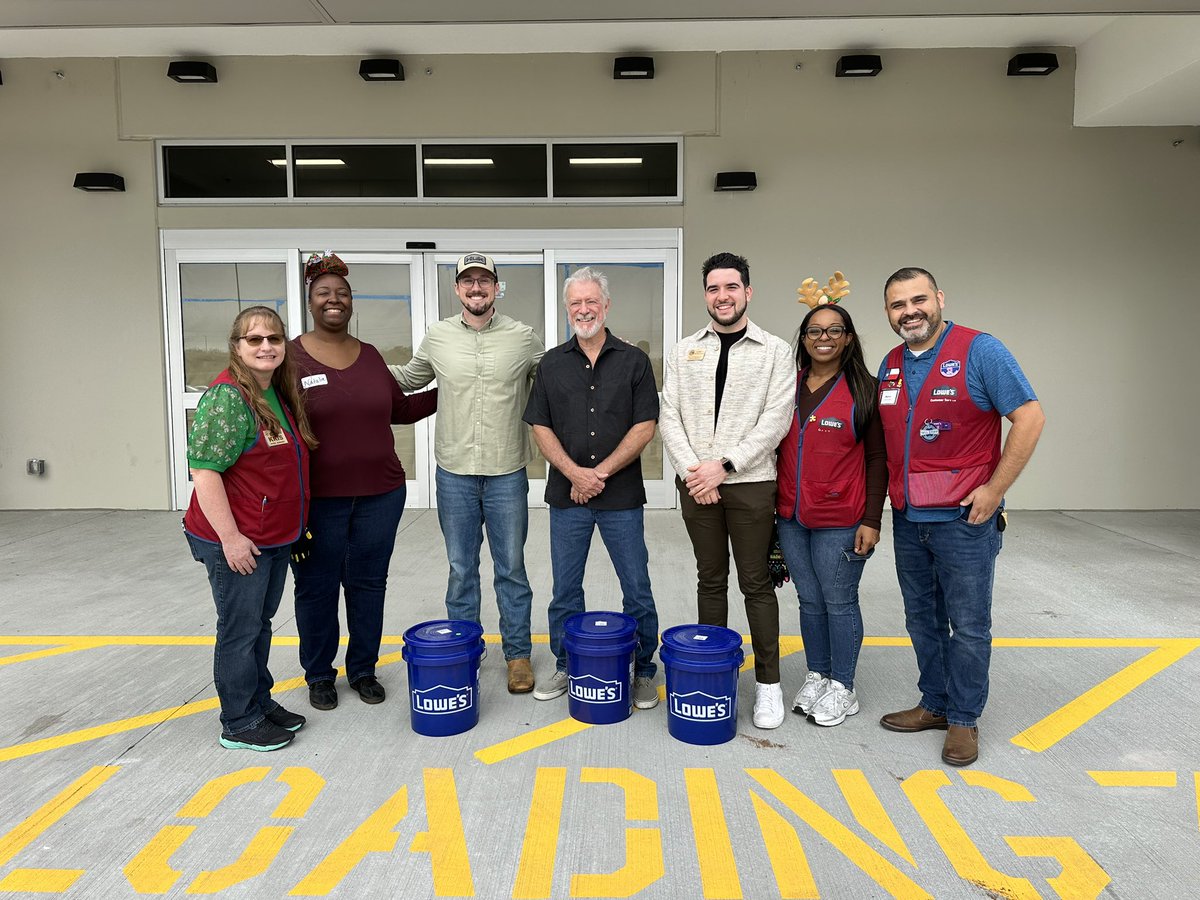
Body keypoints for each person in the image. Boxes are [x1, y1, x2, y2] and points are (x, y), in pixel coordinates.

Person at [877, 266, 1044, 766]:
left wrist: (995, 490)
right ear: (887, 313)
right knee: (921, 617)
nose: (910, 311)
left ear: (940, 298)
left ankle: (965, 719)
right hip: (908, 517)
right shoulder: (890, 363)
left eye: (918, 299)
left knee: (968, 625)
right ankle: (935, 704)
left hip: (963, 521)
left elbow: (1030, 417)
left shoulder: (980, 350)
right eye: (897, 304)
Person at [290, 253, 437, 712]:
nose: (334, 300)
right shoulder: (289, 359)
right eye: (324, 294)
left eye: (342, 293)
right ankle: (319, 674)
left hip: (381, 494)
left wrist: (452, 390)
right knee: (317, 588)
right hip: (319, 500)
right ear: (310, 302)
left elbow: (401, 410)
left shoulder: (371, 355)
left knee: (369, 584)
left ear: (352, 302)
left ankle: (363, 670)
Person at [390, 253, 543, 693]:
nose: (476, 289)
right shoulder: (437, 337)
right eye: (468, 282)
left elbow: (557, 376)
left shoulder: (523, 337)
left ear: (497, 288)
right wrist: (351, 368)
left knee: (511, 569)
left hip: (506, 472)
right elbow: (408, 377)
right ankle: (465, 651)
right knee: (461, 569)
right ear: (457, 289)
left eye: (485, 281)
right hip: (453, 471)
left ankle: (517, 656)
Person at [659, 251, 795, 729]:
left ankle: (768, 686)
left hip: (751, 484)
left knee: (756, 583)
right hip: (697, 485)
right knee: (709, 580)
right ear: (706, 295)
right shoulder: (683, 350)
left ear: (748, 292)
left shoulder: (776, 351)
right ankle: (712, 674)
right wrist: (695, 472)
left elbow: (776, 420)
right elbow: (668, 415)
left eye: (731, 287)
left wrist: (726, 465)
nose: (723, 296)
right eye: (714, 289)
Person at [523, 267, 661, 709]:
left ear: (606, 305)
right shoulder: (551, 364)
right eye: (575, 303)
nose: (584, 309)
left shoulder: (634, 360)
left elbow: (645, 426)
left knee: (636, 585)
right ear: (567, 310)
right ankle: (566, 664)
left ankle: (643, 670)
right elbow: (540, 427)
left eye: (591, 301)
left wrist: (597, 475)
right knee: (566, 588)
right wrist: (574, 474)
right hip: (568, 497)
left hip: (620, 497)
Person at [183, 305, 317, 751]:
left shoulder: (274, 391)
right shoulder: (227, 398)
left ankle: (258, 702)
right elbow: (205, 472)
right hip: (237, 539)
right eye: (254, 339)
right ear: (237, 347)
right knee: (240, 630)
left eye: (274, 339)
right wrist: (231, 539)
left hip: (272, 536)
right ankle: (238, 720)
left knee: (259, 625)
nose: (265, 346)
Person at [775, 301, 886, 727]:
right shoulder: (787, 385)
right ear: (803, 339)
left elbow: (878, 459)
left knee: (838, 602)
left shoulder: (865, 390)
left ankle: (844, 686)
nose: (824, 338)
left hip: (842, 518)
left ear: (849, 338)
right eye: (814, 331)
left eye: (834, 330)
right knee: (809, 600)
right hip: (791, 516)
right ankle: (817, 673)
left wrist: (872, 519)